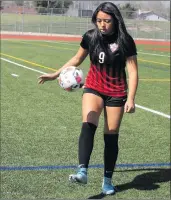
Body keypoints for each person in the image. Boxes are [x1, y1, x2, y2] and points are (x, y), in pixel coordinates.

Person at [38, 2, 138, 195]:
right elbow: (76, 60)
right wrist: (54, 74)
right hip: (94, 86)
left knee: (111, 135)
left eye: (107, 21)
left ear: (115, 20)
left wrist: (131, 98)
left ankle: (107, 181)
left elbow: (132, 72)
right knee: (88, 123)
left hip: (117, 92)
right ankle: (82, 170)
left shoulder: (125, 41)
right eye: (99, 20)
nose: (102, 24)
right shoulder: (90, 37)